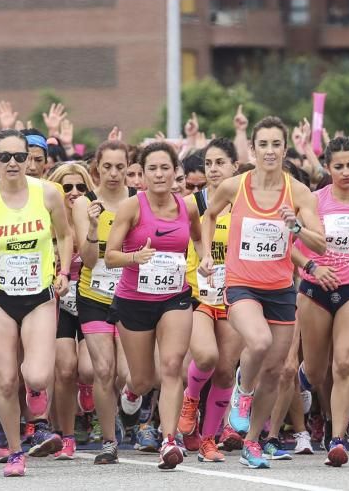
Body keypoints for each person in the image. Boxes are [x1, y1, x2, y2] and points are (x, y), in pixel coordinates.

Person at [199, 116, 325, 470]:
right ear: (252, 150)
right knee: (258, 342)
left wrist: (295, 226)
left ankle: (252, 442)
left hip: (281, 289)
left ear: (285, 149)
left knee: (277, 370)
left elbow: (320, 242)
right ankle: (243, 387)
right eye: (263, 145)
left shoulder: (298, 192)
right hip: (241, 284)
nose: (270, 151)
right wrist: (207, 254)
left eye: (276, 145)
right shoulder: (235, 186)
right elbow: (207, 217)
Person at [0, 129, 73, 477]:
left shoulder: (48, 194)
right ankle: (14, 451)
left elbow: (66, 235)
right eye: (5, 156)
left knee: (37, 375)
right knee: (6, 380)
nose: (13, 163)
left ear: (30, 159)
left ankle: (34, 406)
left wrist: (64, 271)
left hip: (39, 295)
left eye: (20, 157)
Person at [105, 142, 203, 470]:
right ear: (142, 175)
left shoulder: (187, 208)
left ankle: (169, 439)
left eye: (165, 168)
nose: (159, 174)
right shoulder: (132, 207)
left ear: (176, 172)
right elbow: (110, 255)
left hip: (175, 297)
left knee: (172, 366)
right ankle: (131, 396)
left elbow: (199, 239)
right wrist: (136, 257)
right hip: (134, 300)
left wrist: (203, 262)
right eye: (152, 169)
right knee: (144, 378)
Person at [292, 137, 349, 466]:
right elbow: (290, 244)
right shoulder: (313, 200)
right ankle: (302, 379)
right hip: (315, 290)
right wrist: (312, 265)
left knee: (344, 364)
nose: (345, 172)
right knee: (316, 372)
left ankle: (338, 439)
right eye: (338, 166)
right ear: (327, 168)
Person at [181, 138, 245, 462]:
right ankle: (190, 400)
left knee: (224, 371)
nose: (213, 169)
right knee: (205, 356)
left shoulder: (248, 201)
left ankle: (209, 440)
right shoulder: (195, 203)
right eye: (208, 163)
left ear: (236, 165)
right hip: (200, 294)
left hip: (235, 296)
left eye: (220, 162)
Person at [71, 141, 134, 465]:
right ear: (97, 166)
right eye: (107, 166)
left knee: (128, 375)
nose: (113, 173)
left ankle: (129, 406)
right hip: (93, 296)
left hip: (129, 296)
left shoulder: (137, 202)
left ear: (128, 168)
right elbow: (88, 258)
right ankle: (109, 440)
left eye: (119, 167)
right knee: (103, 370)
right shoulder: (85, 203)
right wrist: (94, 228)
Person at [47, 161, 96, 461]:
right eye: (67, 187)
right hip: (59, 304)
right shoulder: (46, 219)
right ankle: (66, 435)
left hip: (91, 299)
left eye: (81, 187)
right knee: (64, 369)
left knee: (88, 369)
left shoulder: (93, 216)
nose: (75, 192)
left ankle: (86, 387)